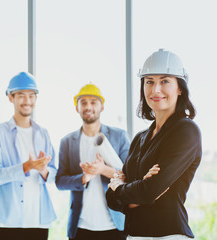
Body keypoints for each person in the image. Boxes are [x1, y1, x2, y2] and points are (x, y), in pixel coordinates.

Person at [106, 49, 202, 239]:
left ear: (180, 88)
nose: (155, 89)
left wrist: (121, 187)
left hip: (169, 235)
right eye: (149, 81)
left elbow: (148, 191)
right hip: (134, 234)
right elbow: (111, 200)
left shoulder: (186, 131)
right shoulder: (140, 137)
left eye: (165, 81)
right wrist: (139, 189)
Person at [55, 83, 130, 240]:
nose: (88, 106)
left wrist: (103, 170)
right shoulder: (67, 142)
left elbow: (131, 177)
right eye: (83, 102)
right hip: (80, 228)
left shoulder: (119, 136)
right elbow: (60, 181)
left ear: (102, 107)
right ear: (77, 108)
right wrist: (83, 178)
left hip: (115, 226)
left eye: (93, 102)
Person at [0, 72, 57, 240]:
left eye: (31, 96)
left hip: (38, 220)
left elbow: (54, 174)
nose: (27, 101)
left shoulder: (43, 133)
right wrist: (26, 167)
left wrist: (43, 170)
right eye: (21, 95)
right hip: (8, 221)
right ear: (11, 97)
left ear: (36, 99)